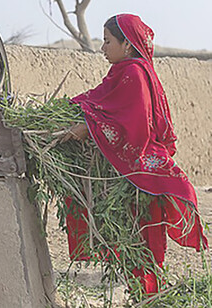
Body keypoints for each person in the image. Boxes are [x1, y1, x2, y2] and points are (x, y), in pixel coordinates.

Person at [62, 14, 208, 293]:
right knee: (135, 241)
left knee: (142, 242)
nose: (102, 47)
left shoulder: (133, 74)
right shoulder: (121, 72)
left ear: (127, 45)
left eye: (107, 41)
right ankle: (145, 294)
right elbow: (97, 100)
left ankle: (148, 295)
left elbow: (133, 127)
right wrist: (72, 110)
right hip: (131, 166)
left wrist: (88, 129)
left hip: (140, 165)